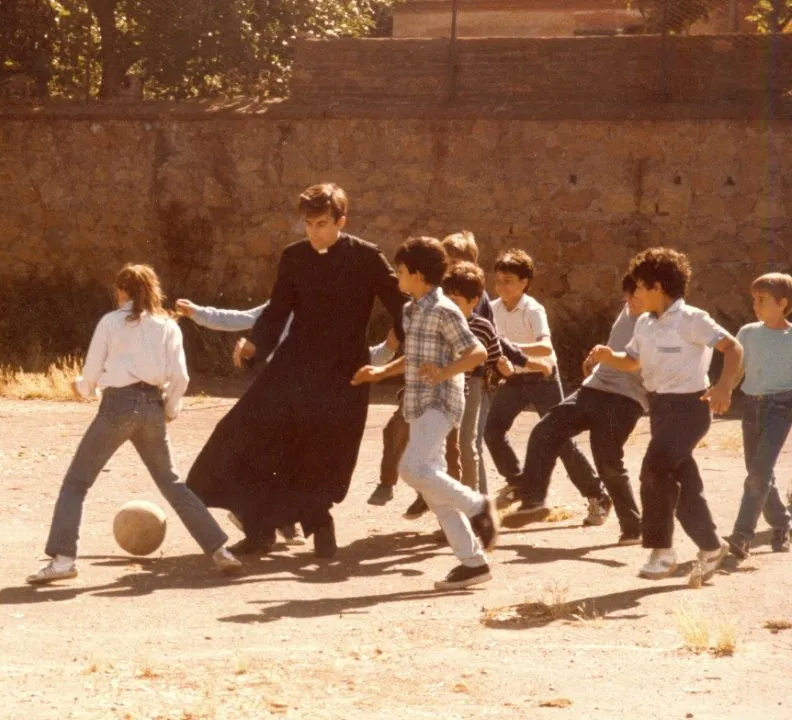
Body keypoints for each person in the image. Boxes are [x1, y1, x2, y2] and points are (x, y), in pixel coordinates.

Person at [186, 183, 406, 559]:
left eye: (322, 223)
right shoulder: (294, 257)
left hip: (343, 372)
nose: (314, 231)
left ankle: (319, 524)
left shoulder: (367, 257)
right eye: (308, 223)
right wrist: (257, 343)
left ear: (341, 221)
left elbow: (401, 305)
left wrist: (411, 347)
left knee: (320, 453)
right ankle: (259, 529)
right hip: (293, 366)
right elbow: (278, 310)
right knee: (243, 435)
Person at [26, 264, 241, 584]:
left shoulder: (111, 322)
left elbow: (92, 371)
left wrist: (82, 387)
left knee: (77, 482)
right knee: (173, 484)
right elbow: (180, 377)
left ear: (122, 291)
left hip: (117, 406)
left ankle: (63, 559)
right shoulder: (167, 326)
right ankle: (220, 550)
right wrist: (168, 409)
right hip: (152, 406)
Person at [176, 298, 397, 546]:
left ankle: (281, 529)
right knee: (252, 458)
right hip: (278, 398)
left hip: (299, 407)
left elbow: (359, 361)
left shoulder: (335, 314)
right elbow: (244, 318)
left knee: (276, 464)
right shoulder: (289, 302)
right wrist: (198, 313)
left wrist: (388, 348)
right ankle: (270, 531)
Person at [588, 247, 744, 587]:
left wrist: (724, 387)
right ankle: (712, 547)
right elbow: (632, 362)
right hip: (658, 410)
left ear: (658, 286)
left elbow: (733, 348)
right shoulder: (643, 324)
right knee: (683, 486)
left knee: (654, 469)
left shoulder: (693, 319)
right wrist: (605, 355)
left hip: (690, 409)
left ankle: (661, 550)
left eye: (640, 287)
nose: (636, 294)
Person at [352, 237, 499, 589]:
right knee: (433, 488)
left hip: (442, 403)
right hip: (417, 403)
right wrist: (380, 372)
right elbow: (414, 359)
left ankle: (478, 504)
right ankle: (473, 562)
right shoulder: (410, 310)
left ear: (417, 275)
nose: (397, 276)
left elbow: (477, 352)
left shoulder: (444, 309)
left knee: (411, 468)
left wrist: (445, 372)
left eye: (401, 271)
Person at [502, 275, 647, 544]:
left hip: (626, 399)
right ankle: (533, 502)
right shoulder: (629, 309)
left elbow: (636, 363)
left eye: (635, 297)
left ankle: (633, 526)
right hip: (593, 389)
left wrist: (609, 358)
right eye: (627, 296)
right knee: (545, 430)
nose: (629, 302)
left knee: (607, 462)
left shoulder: (659, 324)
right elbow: (615, 346)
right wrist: (597, 359)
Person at [484, 249, 598, 501]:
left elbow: (545, 347)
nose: (501, 286)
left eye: (508, 281)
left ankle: (595, 493)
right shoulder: (491, 309)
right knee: (492, 431)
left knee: (559, 438)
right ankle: (518, 482)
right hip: (514, 379)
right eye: (498, 280)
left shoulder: (533, 309)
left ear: (524, 283)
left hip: (542, 377)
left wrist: (510, 349)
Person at [725, 272, 792, 559]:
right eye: (754, 300)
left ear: (783, 303)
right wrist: (723, 390)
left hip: (782, 407)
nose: (756, 306)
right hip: (751, 407)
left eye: (762, 300)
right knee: (759, 471)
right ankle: (782, 523)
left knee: (759, 472)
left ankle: (742, 535)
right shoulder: (747, 333)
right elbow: (738, 369)